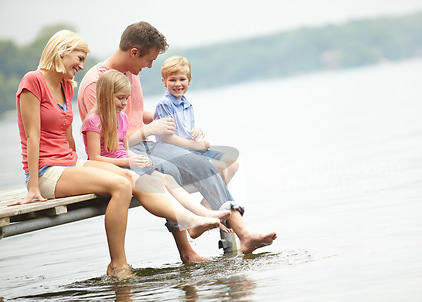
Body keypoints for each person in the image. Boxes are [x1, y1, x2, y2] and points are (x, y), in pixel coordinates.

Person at [78, 22, 277, 260]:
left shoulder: (131, 73)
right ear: (134, 52)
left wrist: (169, 120)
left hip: (146, 142)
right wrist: (148, 129)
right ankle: (193, 244)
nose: (150, 66)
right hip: (124, 152)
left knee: (202, 162)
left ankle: (241, 231)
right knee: (168, 170)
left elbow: (133, 114)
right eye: (148, 60)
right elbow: (110, 138)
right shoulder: (96, 83)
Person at [10, 30, 135, 279]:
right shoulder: (32, 81)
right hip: (46, 172)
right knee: (120, 186)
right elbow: (32, 137)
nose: (80, 65)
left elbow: (68, 136)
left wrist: (82, 165)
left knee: (128, 177)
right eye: (78, 58)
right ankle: (118, 265)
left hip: (68, 164)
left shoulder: (67, 86)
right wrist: (33, 188)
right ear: (62, 51)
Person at [81, 69, 232, 238]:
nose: (124, 103)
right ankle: (194, 219)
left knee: (167, 178)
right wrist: (127, 162)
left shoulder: (121, 118)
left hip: (126, 163)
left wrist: (135, 158)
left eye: (126, 98)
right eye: (120, 98)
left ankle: (203, 213)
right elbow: (94, 158)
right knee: (158, 181)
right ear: (106, 95)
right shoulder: (93, 122)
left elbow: (124, 149)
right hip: (108, 169)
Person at [154, 56, 239, 185]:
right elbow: (167, 138)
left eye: (182, 79)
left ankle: (209, 204)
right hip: (174, 156)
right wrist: (196, 145)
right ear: (164, 82)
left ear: (189, 81)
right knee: (216, 166)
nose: (177, 84)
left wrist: (196, 131)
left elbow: (186, 130)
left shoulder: (187, 104)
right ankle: (215, 201)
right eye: (172, 80)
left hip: (190, 151)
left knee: (232, 161)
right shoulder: (165, 104)